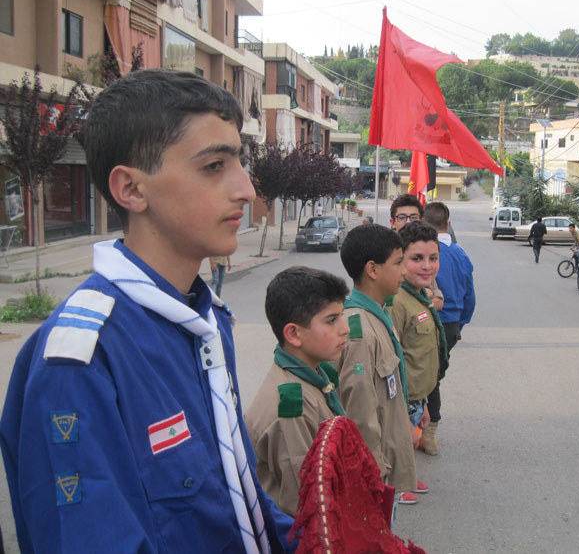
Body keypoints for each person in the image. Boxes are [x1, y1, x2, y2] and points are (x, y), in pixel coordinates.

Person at [0, 69, 295, 553]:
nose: (246, 189)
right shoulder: (80, 361)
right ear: (131, 190)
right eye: (214, 166)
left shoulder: (206, 321)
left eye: (240, 162)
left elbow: (236, 495)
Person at [245, 266, 350, 516]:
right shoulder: (292, 408)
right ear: (293, 334)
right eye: (331, 320)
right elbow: (307, 507)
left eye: (342, 316)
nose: (345, 328)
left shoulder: (313, 375)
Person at [334, 224, 419, 506]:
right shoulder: (359, 331)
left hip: (386, 463)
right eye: (398, 263)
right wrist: (373, 474)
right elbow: (359, 413)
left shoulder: (378, 314)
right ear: (372, 269)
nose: (404, 271)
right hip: (374, 475)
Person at [389, 221, 446, 482]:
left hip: (416, 399)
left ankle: (407, 479)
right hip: (402, 402)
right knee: (399, 455)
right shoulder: (397, 302)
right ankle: (400, 489)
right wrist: (403, 421)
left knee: (408, 453)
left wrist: (422, 404)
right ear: (400, 260)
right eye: (417, 258)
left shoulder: (420, 294)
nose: (427, 266)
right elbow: (391, 364)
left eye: (433, 258)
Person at [422, 202, 475, 456]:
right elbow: (470, 298)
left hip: (425, 322)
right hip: (451, 325)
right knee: (433, 377)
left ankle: (427, 432)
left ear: (424, 223)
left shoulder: (422, 254)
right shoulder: (461, 254)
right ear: (448, 224)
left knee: (427, 378)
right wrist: (458, 325)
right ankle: (428, 432)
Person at [390, 194, 444, 311]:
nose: (408, 221)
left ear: (422, 220)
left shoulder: (427, 250)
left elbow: (439, 301)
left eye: (414, 217)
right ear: (392, 222)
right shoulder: (384, 255)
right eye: (402, 217)